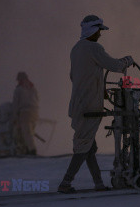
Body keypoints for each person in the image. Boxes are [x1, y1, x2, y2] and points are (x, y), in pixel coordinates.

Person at [57, 15, 134, 194]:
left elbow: (75, 76)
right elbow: (114, 65)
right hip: (89, 107)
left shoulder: (75, 49)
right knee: (83, 145)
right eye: (99, 31)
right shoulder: (94, 48)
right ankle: (65, 183)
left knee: (89, 147)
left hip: (78, 104)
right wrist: (127, 61)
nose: (100, 34)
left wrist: (100, 90)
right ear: (93, 30)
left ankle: (98, 183)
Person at [12, 71, 39, 155]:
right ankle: (27, 149)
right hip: (34, 112)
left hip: (25, 113)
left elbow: (15, 104)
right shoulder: (33, 88)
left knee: (26, 132)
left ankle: (31, 150)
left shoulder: (19, 89)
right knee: (30, 131)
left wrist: (14, 117)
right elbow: (37, 100)